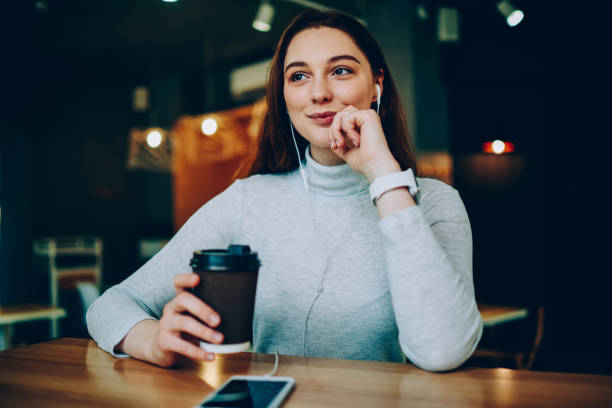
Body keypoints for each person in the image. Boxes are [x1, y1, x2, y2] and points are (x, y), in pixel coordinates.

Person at [87, 9, 483, 372]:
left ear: (377, 84)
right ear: (284, 97)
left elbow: (443, 351)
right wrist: (152, 342)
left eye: (341, 71)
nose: (318, 93)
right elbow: (108, 306)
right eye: (298, 76)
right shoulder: (248, 200)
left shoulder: (432, 202)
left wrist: (383, 174)